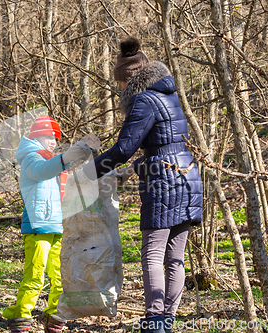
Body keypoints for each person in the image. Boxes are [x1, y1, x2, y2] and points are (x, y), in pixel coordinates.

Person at [84, 37, 203, 333]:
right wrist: (139, 166)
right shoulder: (168, 95)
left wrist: (86, 174)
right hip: (188, 177)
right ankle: (167, 321)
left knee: (152, 253)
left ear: (129, 79)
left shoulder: (143, 100)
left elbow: (124, 149)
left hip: (164, 181)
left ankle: (155, 321)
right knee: (175, 258)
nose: (119, 89)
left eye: (120, 84)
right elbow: (167, 143)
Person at [3, 115, 86, 333]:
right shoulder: (31, 158)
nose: (53, 141)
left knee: (60, 277)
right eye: (49, 136)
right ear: (37, 136)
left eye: (56, 137)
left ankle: (54, 316)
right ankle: (21, 316)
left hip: (58, 226)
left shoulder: (52, 160)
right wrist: (66, 157)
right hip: (39, 226)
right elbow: (42, 171)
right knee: (35, 274)